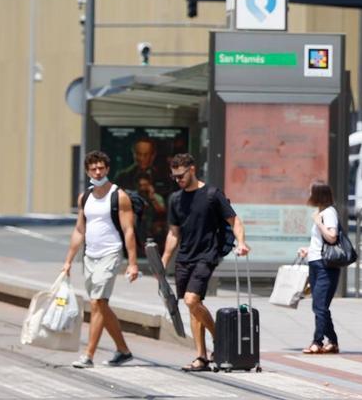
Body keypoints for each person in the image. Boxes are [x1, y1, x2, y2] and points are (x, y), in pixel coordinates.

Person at [160, 153, 249, 372]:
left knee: (191, 300)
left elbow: (234, 219)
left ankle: (220, 338)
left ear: (192, 169)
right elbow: (173, 233)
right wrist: (163, 261)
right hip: (184, 257)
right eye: (175, 177)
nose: (179, 180)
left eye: (181, 175)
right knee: (193, 308)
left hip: (207, 255)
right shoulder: (175, 199)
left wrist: (241, 242)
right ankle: (201, 356)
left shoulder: (211, 194)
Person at [61, 151, 139, 368]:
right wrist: (68, 260)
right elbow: (79, 230)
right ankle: (123, 350)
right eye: (93, 168)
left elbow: (128, 230)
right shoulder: (84, 197)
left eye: (101, 168)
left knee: (97, 303)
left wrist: (132, 263)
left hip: (111, 253)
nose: (98, 172)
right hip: (90, 256)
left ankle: (88, 355)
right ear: (87, 171)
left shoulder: (118, 195)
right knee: (100, 305)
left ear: (107, 169)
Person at [297, 181, 340, 355]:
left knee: (320, 305)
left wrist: (319, 223)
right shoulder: (322, 212)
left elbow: (332, 236)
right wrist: (308, 250)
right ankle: (333, 342)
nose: (308, 195)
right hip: (315, 262)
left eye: (310, 191)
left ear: (318, 194)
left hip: (325, 266)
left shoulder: (329, 213)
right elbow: (321, 242)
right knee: (319, 305)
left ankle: (317, 341)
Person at [136, 172, 168, 252]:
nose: (143, 188)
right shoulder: (136, 197)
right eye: (141, 186)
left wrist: (152, 198)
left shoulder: (156, 197)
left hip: (154, 230)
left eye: (145, 185)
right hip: (141, 229)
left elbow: (162, 211)